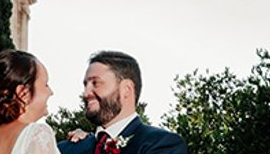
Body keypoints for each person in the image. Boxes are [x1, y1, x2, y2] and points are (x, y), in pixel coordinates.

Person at [58, 51, 187, 154]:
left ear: (126, 89)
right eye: (85, 85)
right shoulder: (66, 149)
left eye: (96, 83)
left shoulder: (162, 144)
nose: (86, 94)